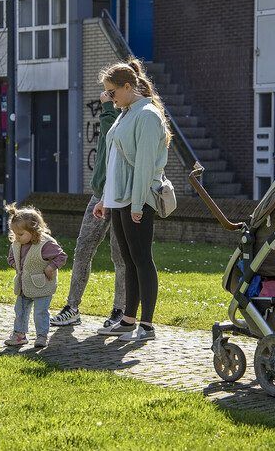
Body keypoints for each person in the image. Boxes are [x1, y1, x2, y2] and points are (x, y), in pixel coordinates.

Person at [94, 57, 172, 341]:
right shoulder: (126, 112)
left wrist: (138, 205)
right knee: (128, 260)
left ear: (128, 87)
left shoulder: (148, 115)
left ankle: (147, 325)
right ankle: (128, 319)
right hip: (118, 198)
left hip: (136, 199)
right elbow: (115, 160)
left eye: (112, 92)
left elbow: (144, 166)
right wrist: (105, 198)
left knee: (141, 259)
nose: (109, 97)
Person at [50, 90, 127, 328]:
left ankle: (119, 310)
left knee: (120, 256)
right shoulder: (114, 112)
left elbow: (109, 134)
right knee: (83, 248)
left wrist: (106, 108)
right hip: (99, 194)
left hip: (121, 196)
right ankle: (72, 307)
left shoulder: (126, 113)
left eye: (110, 90)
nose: (105, 94)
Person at [4, 204, 67, 348]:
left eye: (20, 234)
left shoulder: (46, 244)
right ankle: (19, 335)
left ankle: (41, 336)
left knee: (40, 312)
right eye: (14, 233)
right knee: (20, 310)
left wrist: (51, 267)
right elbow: (11, 258)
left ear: (34, 230)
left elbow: (61, 256)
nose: (17, 238)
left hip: (42, 284)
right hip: (23, 285)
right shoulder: (16, 244)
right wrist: (16, 265)